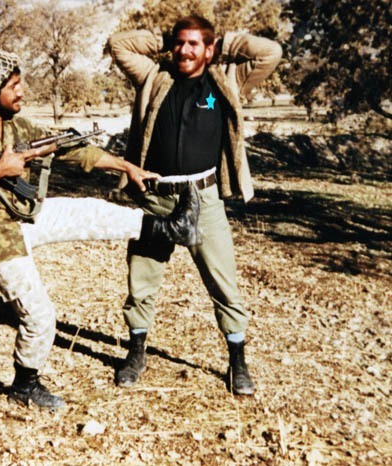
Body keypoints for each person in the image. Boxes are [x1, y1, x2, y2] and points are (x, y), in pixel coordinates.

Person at [0, 45, 201, 409]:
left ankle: (171, 229)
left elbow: (71, 149)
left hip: (23, 217)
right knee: (41, 316)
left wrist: (126, 166)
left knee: (89, 212)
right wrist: (2, 168)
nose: (22, 91)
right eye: (13, 86)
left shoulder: (18, 126)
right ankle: (24, 385)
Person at [108, 15, 282, 395]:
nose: (184, 51)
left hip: (204, 197)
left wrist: (223, 43)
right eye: (179, 43)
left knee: (224, 283)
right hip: (155, 195)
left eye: (193, 44)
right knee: (141, 281)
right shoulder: (153, 76)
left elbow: (270, 52)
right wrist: (165, 38)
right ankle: (136, 353)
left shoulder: (227, 80)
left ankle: (237, 362)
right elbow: (120, 44)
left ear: (209, 49)